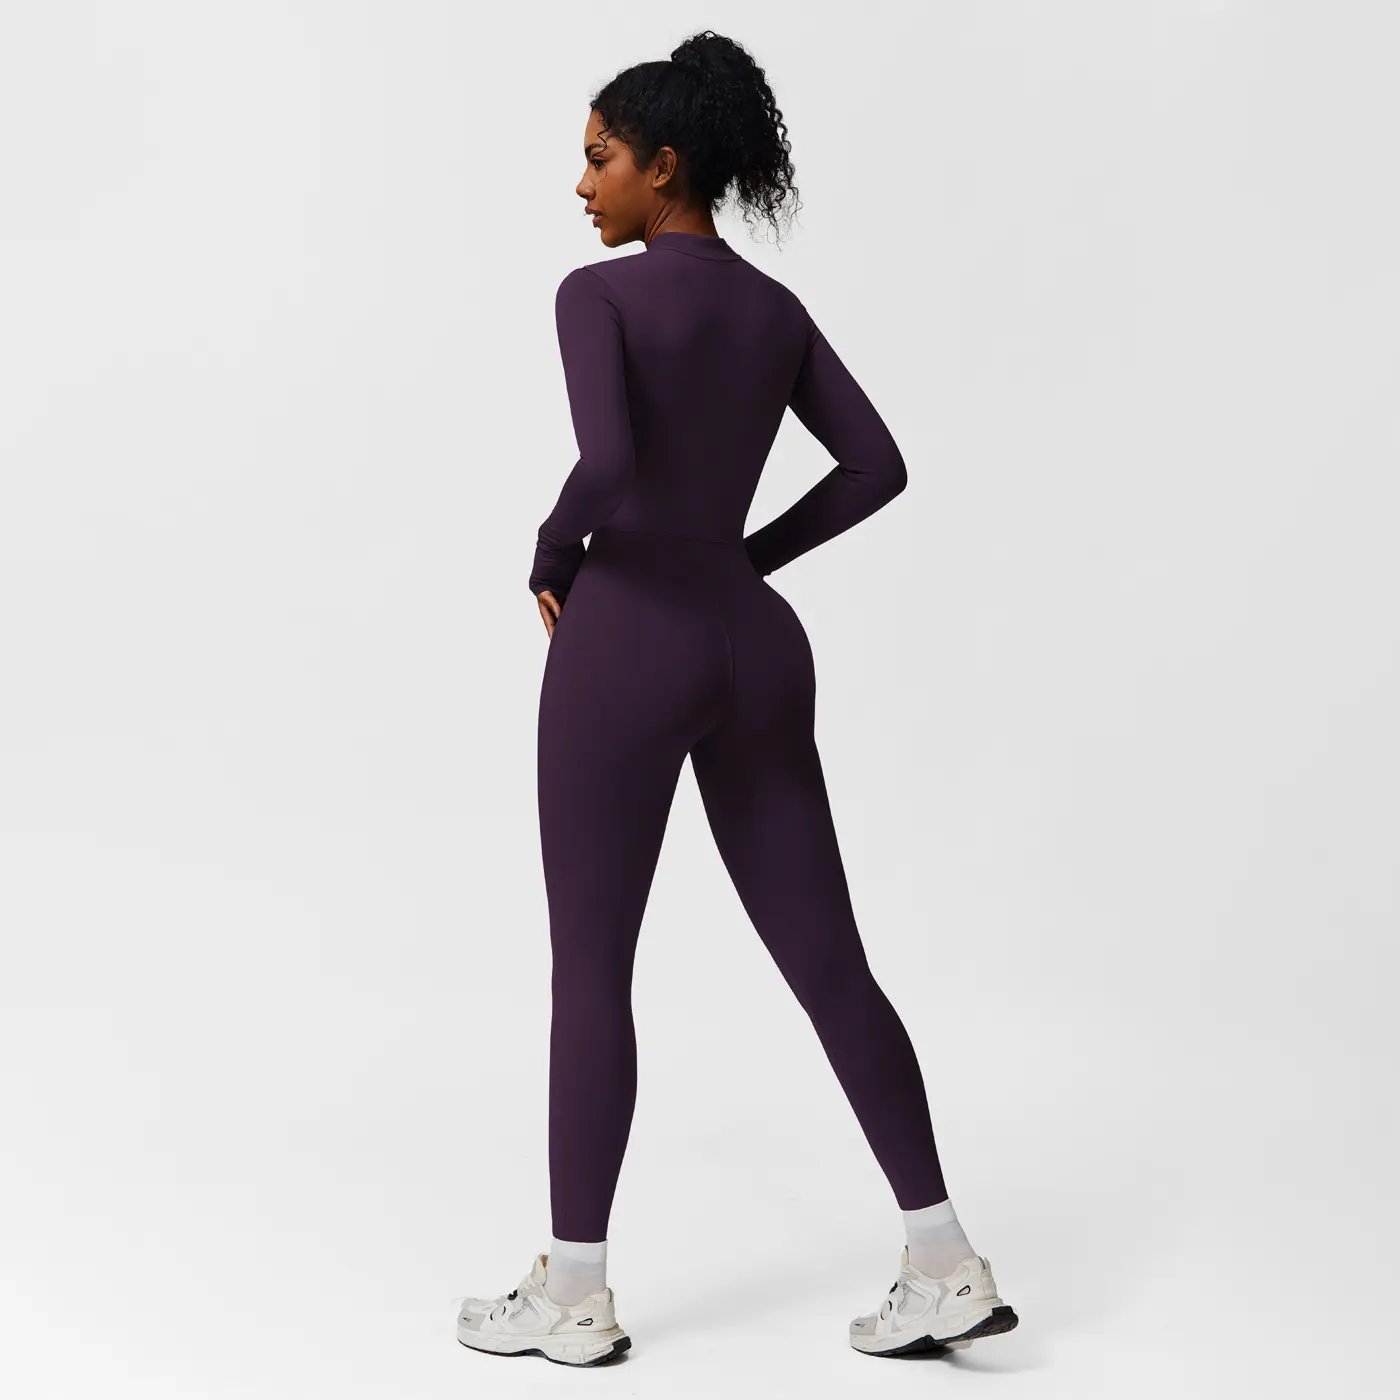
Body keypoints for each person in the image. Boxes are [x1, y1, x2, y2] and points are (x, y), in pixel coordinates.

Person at [455, 30, 1018, 1367]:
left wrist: (551, 554)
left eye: (599, 158)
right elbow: (876, 466)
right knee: (831, 962)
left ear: (665, 165)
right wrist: (747, 561)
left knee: (594, 968)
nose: (581, 185)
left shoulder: (594, 300)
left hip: (626, 635)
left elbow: (606, 462)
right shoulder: (773, 310)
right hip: (753, 643)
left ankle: (575, 1294)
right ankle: (945, 1259)